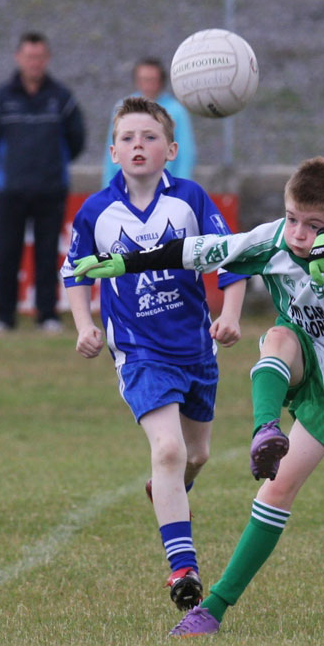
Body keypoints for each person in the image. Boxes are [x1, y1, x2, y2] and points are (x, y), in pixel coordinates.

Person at [71, 156, 324, 636]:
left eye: (313, 226)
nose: (299, 234)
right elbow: (200, 250)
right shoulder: (276, 239)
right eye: (292, 219)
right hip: (299, 357)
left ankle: (212, 609)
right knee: (278, 338)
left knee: (278, 490)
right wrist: (127, 262)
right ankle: (265, 429)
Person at [61, 97, 247, 611]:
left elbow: (231, 258)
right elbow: (75, 272)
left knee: (196, 455)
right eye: (127, 138)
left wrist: (229, 314)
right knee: (167, 451)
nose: (137, 145)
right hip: (139, 353)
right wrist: (84, 324)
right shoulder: (97, 211)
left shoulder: (189, 199)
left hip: (195, 349)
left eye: (148, 137)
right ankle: (183, 569)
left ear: (172, 149)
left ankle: (165, 490)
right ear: (113, 151)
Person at [0, 31, 85, 333]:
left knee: (48, 253)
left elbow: (76, 142)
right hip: (11, 189)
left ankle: (47, 315)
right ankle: (3, 317)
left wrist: (51, 167)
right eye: (29, 57)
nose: (34, 62)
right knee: (6, 253)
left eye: (39, 57)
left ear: (46, 59)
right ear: (18, 58)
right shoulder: (0, 99)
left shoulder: (62, 99)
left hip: (51, 190)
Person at [102, 57, 196, 187]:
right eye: (143, 80)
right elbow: (111, 150)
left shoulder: (176, 110)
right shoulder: (122, 107)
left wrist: (181, 189)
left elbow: (185, 153)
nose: (147, 85)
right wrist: (109, 188)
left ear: (161, 81)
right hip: (129, 187)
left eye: (152, 80)